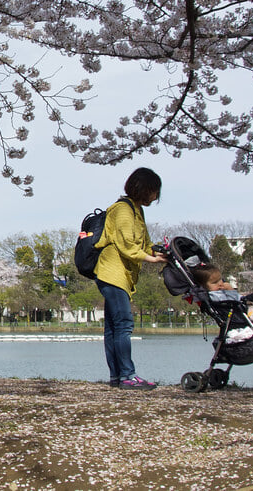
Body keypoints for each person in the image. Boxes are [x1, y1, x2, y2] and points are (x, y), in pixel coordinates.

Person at [94, 167, 168, 390]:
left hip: (122, 274)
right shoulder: (123, 210)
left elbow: (143, 243)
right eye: (154, 191)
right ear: (144, 189)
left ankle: (117, 376)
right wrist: (150, 260)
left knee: (114, 328)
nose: (156, 197)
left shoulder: (137, 210)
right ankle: (127, 375)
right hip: (112, 272)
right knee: (124, 325)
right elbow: (127, 245)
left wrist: (158, 253)